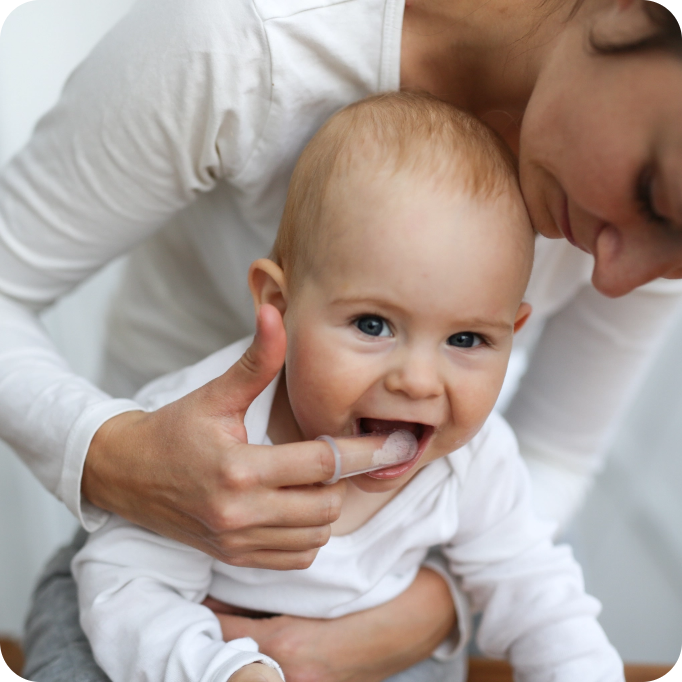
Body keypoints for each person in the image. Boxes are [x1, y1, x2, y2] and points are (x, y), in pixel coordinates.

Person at [0, 0, 680, 680]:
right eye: (652, 193)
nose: (616, 279)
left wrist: (435, 612)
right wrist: (111, 457)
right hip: (165, 608)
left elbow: (543, 585)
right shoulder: (242, 44)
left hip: (400, 608)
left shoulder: (473, 466)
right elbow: (126, 588)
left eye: (468, 338)